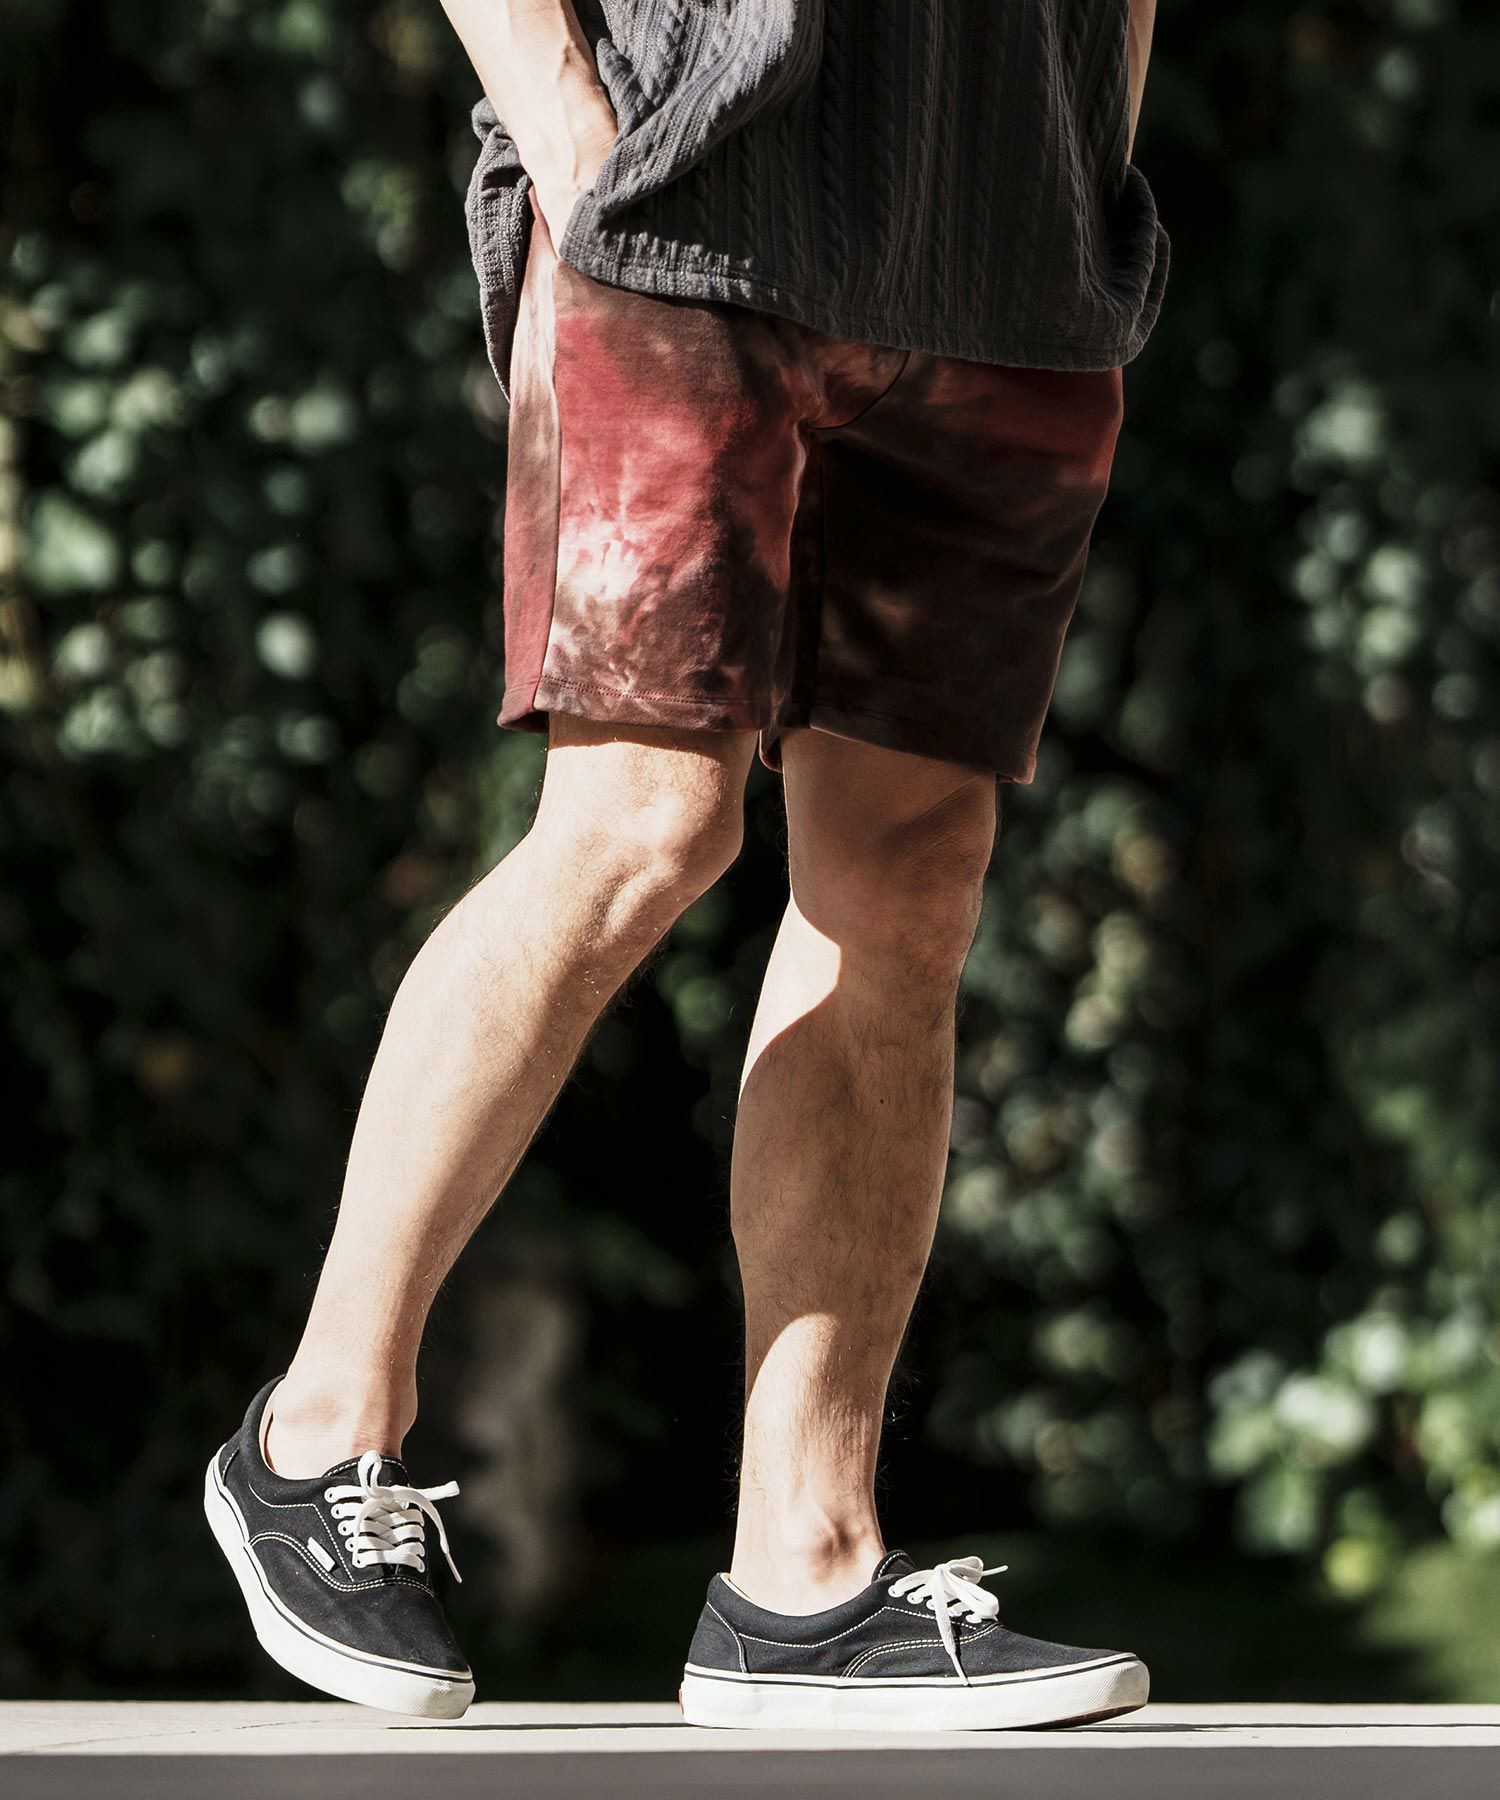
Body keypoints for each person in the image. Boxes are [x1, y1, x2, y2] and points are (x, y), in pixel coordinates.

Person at [204, 0, 1166, 1731]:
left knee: (912, 873)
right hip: (686, 196)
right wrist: (569, 136)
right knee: (643, 823)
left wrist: (1089, 155)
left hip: (1009, 244)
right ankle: (316, 1429)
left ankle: (802, 1578)